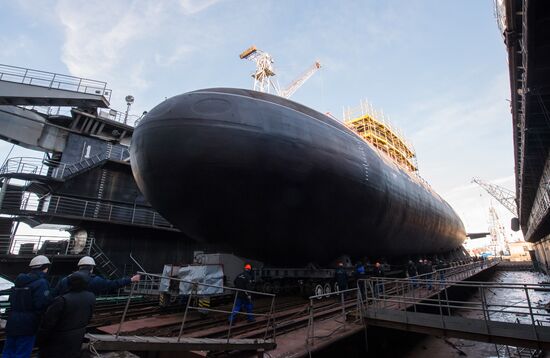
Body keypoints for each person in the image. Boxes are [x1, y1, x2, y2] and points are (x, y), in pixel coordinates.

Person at [2, 255, 53, 358]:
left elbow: (12, 300)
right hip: (28, 323)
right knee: (22, 352)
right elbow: (42, 303)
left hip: (13, 321)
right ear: (45, 268)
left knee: (8, 350)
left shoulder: (19, 281)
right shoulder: (42, 283)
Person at [37, 271, 95, 358]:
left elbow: (48, 323)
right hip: (77, 338)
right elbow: (89, 317)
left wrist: (39, 340)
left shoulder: (62, 300)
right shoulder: (91, 297)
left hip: (57, 341)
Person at [56, 256, 140, 296]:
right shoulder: (96, 280)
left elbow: (55, 294)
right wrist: (131, 279)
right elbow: (113, 284)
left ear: (79, 267)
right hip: (82, 313)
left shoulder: (65, 279)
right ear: (92, 268)